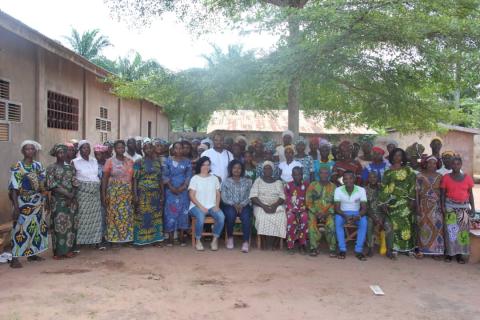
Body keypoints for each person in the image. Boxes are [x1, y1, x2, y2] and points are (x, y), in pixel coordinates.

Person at [9, 140, 48, 268]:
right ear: (23, 151)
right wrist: (16, 206)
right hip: (22, 202)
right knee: (19, 228)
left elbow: (43, 184)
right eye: (27, 149)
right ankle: (15, 258)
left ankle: (33, 254)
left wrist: (45, 199)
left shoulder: (38, 166)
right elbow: (14, 188)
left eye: (32, 149)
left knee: (35, 227)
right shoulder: (17, 166)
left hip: (37, 202)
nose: (30, 151)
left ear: (35, 151)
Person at [378, 148, 416, 259]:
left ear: (402, 157)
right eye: (395, 155)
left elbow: (412, 185)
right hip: (392, 203)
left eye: (399, 155)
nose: (397, 157)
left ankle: (408, 249)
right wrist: (383, 202)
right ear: (391, 157)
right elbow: (384, 187)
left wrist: (412, 200)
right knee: (394, 226)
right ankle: (395, 248)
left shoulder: (408, 170)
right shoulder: (387, 171)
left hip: (405, 201)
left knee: (407, 225)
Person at [440, 156, 475, 264]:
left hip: (464, 209)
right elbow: (442, 195)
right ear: (451, 165)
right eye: (453, 164)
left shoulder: (467, 178)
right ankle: (450, 254)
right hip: (450, 207)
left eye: (457, 164)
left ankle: (460, 255)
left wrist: (472, 207)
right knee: (451, 232)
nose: (455, 166)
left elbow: (470, 194)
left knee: (463, 232)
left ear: (461, 165)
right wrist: (442, 207)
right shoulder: (446, 177)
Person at [46, 144, 78, 259]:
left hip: (71, 201)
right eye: (60, 152)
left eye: (64, 152)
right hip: (58, 201)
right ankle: (58, 252)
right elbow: (51, 185)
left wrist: (71, 196)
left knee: (70, 226)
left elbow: (75, 183)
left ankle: (68, 250)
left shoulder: (70, 168)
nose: (62, 155)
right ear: (55, 154)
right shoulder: (51, 168)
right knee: (58, 226)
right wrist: (67, 195)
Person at [132, 139, 164, 246]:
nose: (148, 150)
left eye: (150, 147)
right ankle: (140, 241)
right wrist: (135, 195)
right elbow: (135, 179)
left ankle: (155, 240)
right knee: (142, 217)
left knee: (155, 217)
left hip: (155, 194)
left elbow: (160, 179)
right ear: (143, 150)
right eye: (146, 148)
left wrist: (162, 194)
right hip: (142, 194)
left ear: (153, 149)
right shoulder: (138, 162)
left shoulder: (157, 162)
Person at [188, 156, 225, 251]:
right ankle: (198, 240)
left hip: (212, 205)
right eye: (204, 165)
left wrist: (217, 205)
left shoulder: (214, 178)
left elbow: (218, 194)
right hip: (196, 206)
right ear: (200, 166)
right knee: (200, 217)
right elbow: (191, 196)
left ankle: (214, 240)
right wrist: (201, 207)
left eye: (208, 165)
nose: (206, 167)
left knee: (221, 217)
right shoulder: (195, 178)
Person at [102, 140, 134, 244]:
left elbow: (133, 178)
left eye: (122, 147)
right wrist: (103, 195)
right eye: (118, 147)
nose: (121, 149)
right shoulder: (109, 161)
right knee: (114, 215)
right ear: (115, 149)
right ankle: (114, 239)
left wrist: (133, 193)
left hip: (127, 193)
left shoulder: (130, 161)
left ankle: (126, 239)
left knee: (126, 216)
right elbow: (105, 179)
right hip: (114, 193)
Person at [250, 161, 287, 250]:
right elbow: (253, 196)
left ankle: (276, 241)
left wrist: (274, 206)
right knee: (262, 217)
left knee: (281, 217)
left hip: (276, 205)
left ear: (272, 170)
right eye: (265, 168)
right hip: (260, 205)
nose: (267, 170)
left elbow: (282, 197)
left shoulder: (278, 182)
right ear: (263, 170)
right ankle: (263, 240)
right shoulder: (258, 181)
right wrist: (264, 206)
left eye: (269, 168)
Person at [73, 140, 103, 247]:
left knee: (96, 219)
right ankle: (80, 242)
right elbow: (73, 179)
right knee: (83, 218)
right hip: (83, 193)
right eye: (84, 148)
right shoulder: (75, 162)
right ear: (80, 149)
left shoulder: (94, 160)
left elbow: (97, 176)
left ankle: (96, 241)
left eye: (88, 148)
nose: (87, 150)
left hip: (95, 193)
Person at [334, 171, 368, 261]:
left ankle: (358, 250)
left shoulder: (361, 190)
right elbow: (337, 208)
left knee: (364, 222)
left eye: (350, 178)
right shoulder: (338, 190)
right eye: (345, 178)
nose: (348, 180)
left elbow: (364, 208)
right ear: (343, 180)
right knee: (337, 221)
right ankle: (342, 249)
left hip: (356, 213)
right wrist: (345, 216)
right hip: (342, 213)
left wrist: (358, 216)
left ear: (354, 179)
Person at [163, 142, 192, 246]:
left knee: (183, 213)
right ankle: (170, 238)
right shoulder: (167, 161)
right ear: (173, 150)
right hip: (170, 191)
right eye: (177, 148)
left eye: (181, 148)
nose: (179, 150)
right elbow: (164, 175)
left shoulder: (187, 161)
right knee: (170, 214)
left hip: (183, 192)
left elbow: (189, 176)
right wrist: (171, 187)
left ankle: (181, 237)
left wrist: (183, 187)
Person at [415, 156, 444, 258]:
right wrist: (417, 206)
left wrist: (442, 206)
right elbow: (417, 192)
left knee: (437, 227)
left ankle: (436, 251)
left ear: (437, 165)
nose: (432, 165)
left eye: (434, 163)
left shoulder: (440, 176)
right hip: (423, 205)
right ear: (425, 164)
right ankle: (422, 250)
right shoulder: (419, 176)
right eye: (429, 163)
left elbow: (442, 193)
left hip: (436, 206)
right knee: (423, 226)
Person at [221, 160, 253, 252]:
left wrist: (242, 204)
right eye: (234, 168)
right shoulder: (226, 181)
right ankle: (230, 237)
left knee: (246, 217)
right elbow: (224, 197)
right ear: (231, 169)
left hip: (244, 204)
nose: (237, 170)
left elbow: (250, 195)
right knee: (230, 215)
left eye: (239, 168)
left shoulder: (247, 181)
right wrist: (233, 204)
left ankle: (246, 242)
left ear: (242, 170)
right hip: (229, 204)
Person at [306, 167, 337, 257]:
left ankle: (332, 248)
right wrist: (316, 212)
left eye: (326, 173)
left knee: (331, 224)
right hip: (314, 211)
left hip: (328, 212)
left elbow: (336, 203)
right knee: (311, 223)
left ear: (329, 174)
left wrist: (327, 213)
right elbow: (308, 201)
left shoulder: (333, 187)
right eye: (322, 173)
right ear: (318, 174)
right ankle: (313, 248)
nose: (324, 175)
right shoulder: (313, 185)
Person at [284, 167, 309, 254]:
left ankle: (302, 244)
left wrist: (302, 210)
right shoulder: (288, 185)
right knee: (290, 217)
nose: (297, 176)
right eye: (295, 174)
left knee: (304, 217)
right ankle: (290, 245)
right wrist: (293, 210)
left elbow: (308, 200)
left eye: (299, 174)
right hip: (291, 210)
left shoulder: (306, 185)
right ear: (292, 175)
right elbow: (286, 199)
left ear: (302, 175)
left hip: (303, 210)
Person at [365, 171, 383, 257]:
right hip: (369, 214)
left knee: (389, 224)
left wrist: (381, 217)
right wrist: (374, 218)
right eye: (370, 177)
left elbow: (386, 204)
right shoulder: (365, 190)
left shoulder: (383, 189)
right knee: (369, 223)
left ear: (378, 178)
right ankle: (370, 248)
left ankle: (390, 249)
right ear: (368, 179)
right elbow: (366, 207)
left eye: (375, 177)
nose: (373, 179)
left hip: (382, 214)